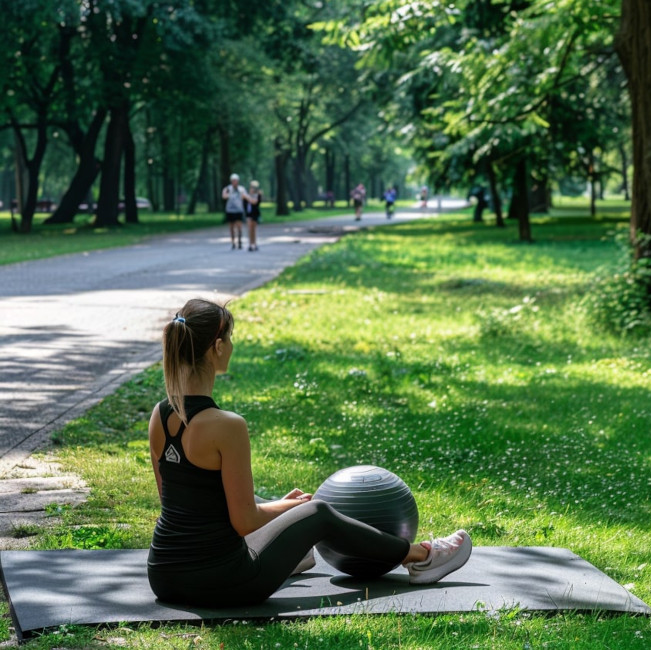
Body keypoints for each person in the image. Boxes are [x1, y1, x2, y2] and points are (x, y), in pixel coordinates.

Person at [147, 298, 473, 607]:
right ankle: (422, 556)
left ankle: (294, 552)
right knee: (317, 512)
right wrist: (289, 508)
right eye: (230, 339)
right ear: (217, 347)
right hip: (226, 581)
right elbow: (244, 520)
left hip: (163, 575)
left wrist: (281, 511)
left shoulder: (160, 416)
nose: (232, 346)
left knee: (281, 507)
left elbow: (182, 502)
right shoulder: (227, 426)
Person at [222, 174, 248, 250]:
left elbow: (245, 197)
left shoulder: (241, 189)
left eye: (235, 180)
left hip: (239, 210)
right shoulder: (227, 188)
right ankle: (233, 242)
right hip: (230, 210)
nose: (234, 182)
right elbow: (224, 196)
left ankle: (240, 241)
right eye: (233, 180)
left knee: (239, 226)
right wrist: (229, 193)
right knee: (231, 227)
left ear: (238, 181)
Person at [245, 180, 262, 252]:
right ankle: (250, 244)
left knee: (254, 230)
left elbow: (255, 202)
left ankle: (254, 243)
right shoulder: (247, 195)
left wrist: (247, 197)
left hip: (255, 214)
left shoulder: (258, 195)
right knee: (249, 229)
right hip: (248, 214)